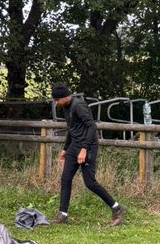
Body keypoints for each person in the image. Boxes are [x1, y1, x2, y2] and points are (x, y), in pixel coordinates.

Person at [51, 81, 125, 225]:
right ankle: (63, 214)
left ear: (65, 96)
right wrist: (65, 149)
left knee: (90, 183)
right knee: (65, 179)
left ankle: (117, 208)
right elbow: (72, 129)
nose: (56, 102)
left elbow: (91, 127)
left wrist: (84, 149)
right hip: (74, 146)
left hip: (88, 146)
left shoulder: (79, 106)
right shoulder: (66, 107)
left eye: (57, 99)